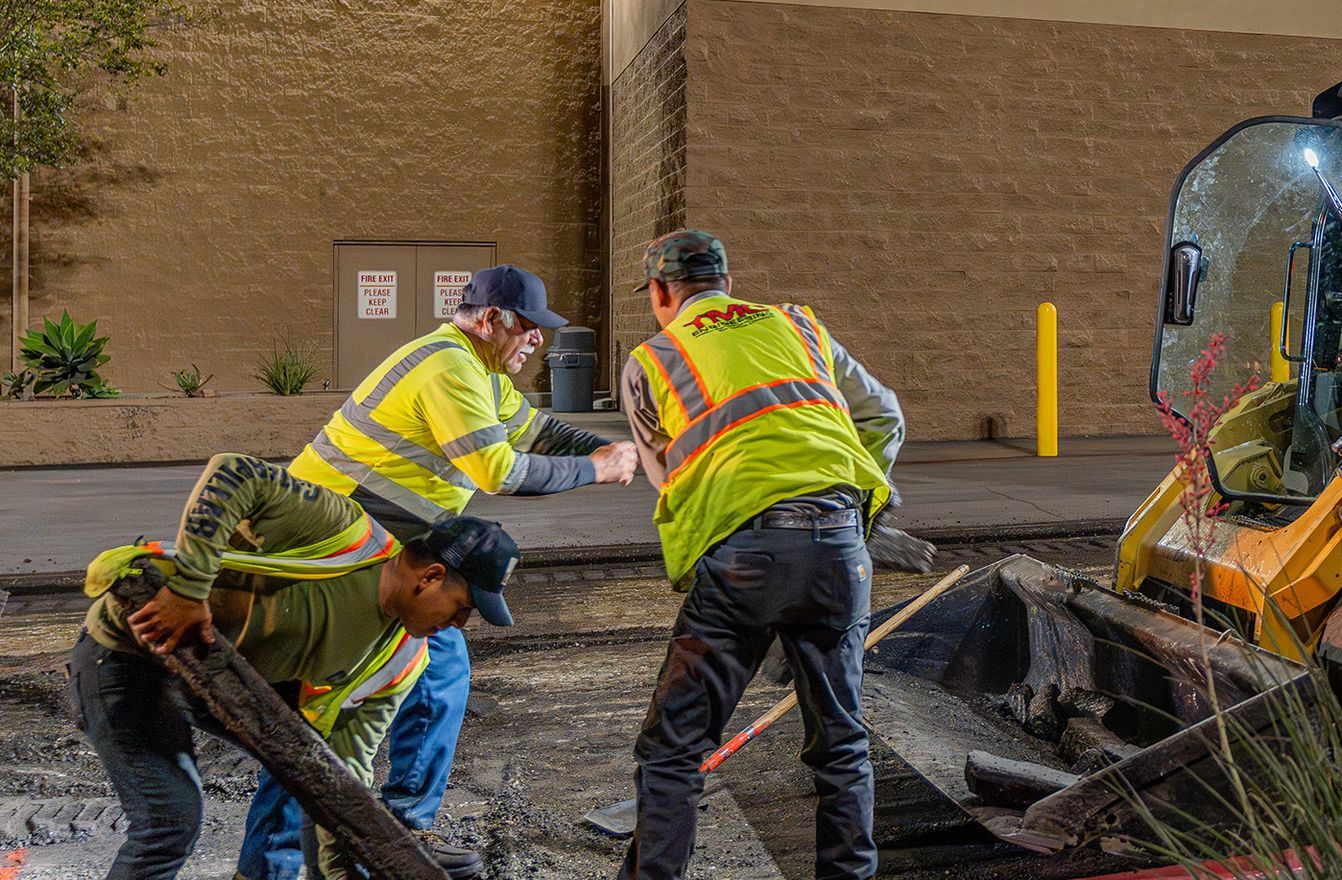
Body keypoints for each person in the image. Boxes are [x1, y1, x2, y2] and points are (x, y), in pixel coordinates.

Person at [232, 264, 639, 880]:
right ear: (491, 319)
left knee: (421, 677)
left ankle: (389, 829)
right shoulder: (447, 366)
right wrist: (599, 469)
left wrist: (620, 449)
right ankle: (302, 857)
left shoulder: (487, 374)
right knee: (325, 706)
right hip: (333, 547)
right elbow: (498, 471)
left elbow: (539, 432)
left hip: (384, 542)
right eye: (529, 327)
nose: (538, 341)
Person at [71, 451, 521, 880]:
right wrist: (189, 588)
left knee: (316, 771)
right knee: (168, 823)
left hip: (228, 683)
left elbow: (342, 778)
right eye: (463, 608)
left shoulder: (401, 658)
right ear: (432, 577)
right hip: (130, 656)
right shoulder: (344, 533)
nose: (460, 624)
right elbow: (234, 471)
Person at [615, 229, 909, 880]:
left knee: (674, 748)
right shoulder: (800, 327)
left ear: (662, 292)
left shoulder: (654, 359)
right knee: (841, 743)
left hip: (744, 559)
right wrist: (858, 520)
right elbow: (885, 416)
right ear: (727, 281)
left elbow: (674, 485)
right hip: (839, 550)